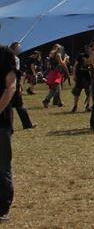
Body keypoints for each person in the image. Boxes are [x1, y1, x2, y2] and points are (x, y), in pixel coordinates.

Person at [0, 45, 17, 223]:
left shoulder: (5, 54)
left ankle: (3, 207)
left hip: (1, 123)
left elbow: (11, 86)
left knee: (2, 167)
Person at [8, 44, 33, 130]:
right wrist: (18, 86)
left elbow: (17, 74)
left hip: (10, 84)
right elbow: (16, 74)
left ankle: (26, 124)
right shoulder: (14, 59)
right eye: (18, 48)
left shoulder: (15, 58)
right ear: (13, 49)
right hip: (11, 85)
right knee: (18, 106)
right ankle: (27, 124)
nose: (20, 50)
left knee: (13, 106)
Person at [70, 48, 93, 113]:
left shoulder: (93, 56)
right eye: (89, 49)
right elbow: (75, 65)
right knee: (76, 92)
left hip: (87, 77)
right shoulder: (81, 55)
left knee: (88, 92)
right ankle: (75, 106)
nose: (90, 50)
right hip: (79, 76)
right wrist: (74, 75)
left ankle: (87, 106)